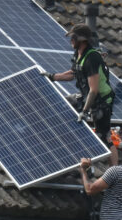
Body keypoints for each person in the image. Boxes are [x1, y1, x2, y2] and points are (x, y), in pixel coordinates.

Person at [45, 24, 118, 166]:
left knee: (104, 136)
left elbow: (94, 89)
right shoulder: (79, 54)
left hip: (100, 101)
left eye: (73, 37)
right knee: (63, 103)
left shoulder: (91, 58)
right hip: (86, 96)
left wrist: (84, 111)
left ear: (82, 39)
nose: (71, 40)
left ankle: (115, 170)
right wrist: (52, 76)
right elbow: (72, 73)